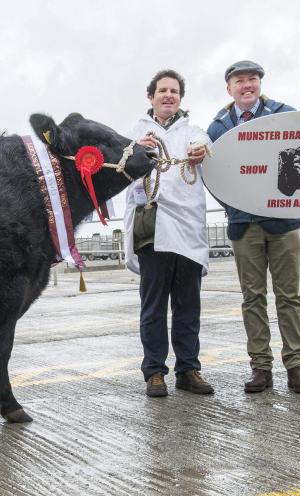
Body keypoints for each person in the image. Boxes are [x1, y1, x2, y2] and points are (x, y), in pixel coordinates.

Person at [206, 60, 300, 394]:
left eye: (252, 80)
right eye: (240, 81)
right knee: (252, 298)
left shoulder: (286, 114)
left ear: (260, 83)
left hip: (283, 221)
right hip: (244, 225)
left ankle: (296, 367)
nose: (247, 86)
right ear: (229, 88)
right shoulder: (217, 127)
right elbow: (212, 176)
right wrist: (232, 208)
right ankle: (261, 368)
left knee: (289, 296)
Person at [123, 69, 212, 397]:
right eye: (162, 90)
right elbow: (120, 168)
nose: (169, 96)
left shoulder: (194, 131)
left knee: (188, 305)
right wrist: (135, 151)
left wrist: (201, 149)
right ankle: (154, 372)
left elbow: (207, 146)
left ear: (180, 98)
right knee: (154, 305)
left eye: (174, 91)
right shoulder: (135, 132)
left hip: (187, 230)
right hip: (153, 228)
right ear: (151, 97)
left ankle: (189, 369)